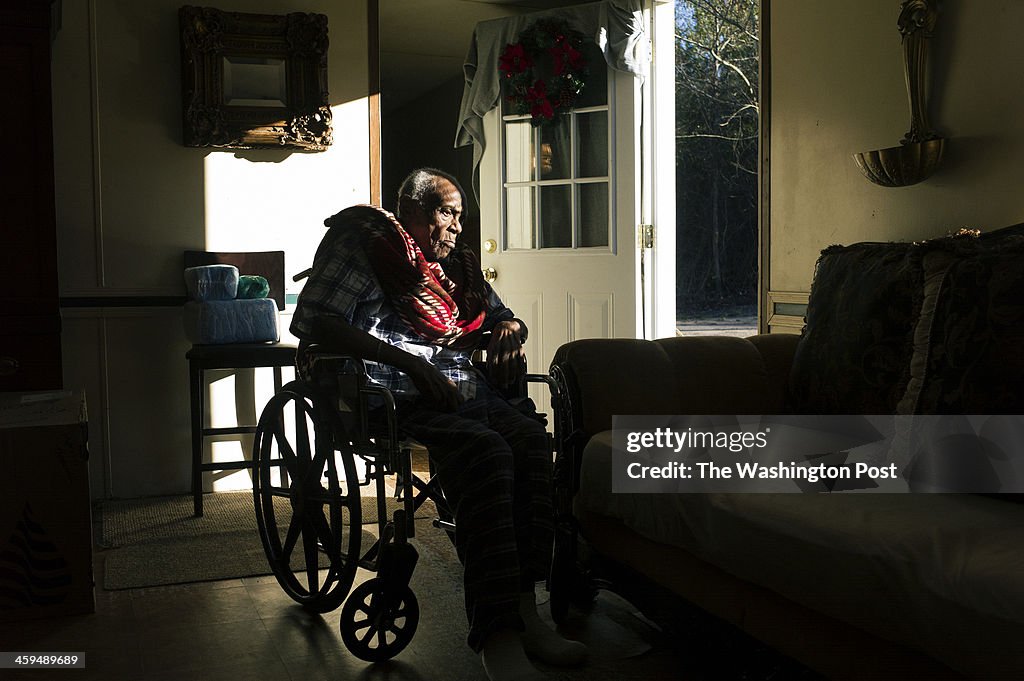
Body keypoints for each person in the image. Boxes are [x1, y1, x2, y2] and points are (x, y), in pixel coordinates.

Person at [290, 168, 587, 681]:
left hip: (462, 388)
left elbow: (504, 315)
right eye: (445, 213)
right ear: (410, 209)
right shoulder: (366, 245)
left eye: (459, 217)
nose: (455, 227)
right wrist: (412, 364)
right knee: (487, 452)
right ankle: (497, 637)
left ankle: (526, 613)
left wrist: (509, 332)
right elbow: (317, 320)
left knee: (532, 443)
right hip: (387, 391)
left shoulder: (456, 270)